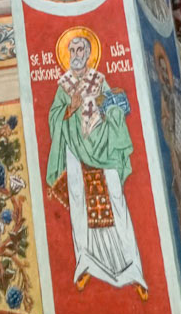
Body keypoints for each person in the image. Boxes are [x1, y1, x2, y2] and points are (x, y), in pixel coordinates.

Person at [47, 31, 147, 295]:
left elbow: (114, 107)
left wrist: (110, 106)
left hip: (103, 146)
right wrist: (71, 108)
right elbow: (54, 118)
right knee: (79, 201)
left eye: (81, 50)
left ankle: (133, 269)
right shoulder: (64, 86)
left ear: (89, 54)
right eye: (73, 50)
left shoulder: (99, 80)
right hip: (75, 152)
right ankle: (86, 264)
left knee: (116, 197)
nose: (76, 55)